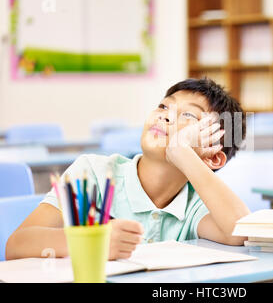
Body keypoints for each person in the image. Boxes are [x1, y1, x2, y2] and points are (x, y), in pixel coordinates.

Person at [6, 78, 250, 260]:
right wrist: (92, 242)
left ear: (213, 157)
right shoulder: (94, 172)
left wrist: (182, 152)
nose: (165, 116)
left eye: (188, 115)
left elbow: (239, 231)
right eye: (164, 107)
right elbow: (17, 245)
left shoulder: (196, 202)